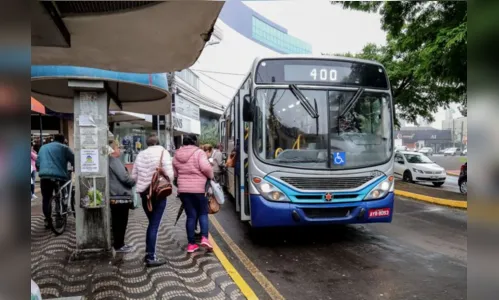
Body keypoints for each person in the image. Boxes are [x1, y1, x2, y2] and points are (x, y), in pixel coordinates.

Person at [131, 134, 174, 267]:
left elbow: (133, 176)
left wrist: (145, 181)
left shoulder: (140, 155)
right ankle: (150, 256)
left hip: (145, 195)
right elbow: (170, 175)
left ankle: (150, 252)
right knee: (154, 225)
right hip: (159, 193)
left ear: (147, 143)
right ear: (158, 142)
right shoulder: (163, 152)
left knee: (152, 224)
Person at [173, 134, 214, 253]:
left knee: (190, 216)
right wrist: (211, 176)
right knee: (203, 213)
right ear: (195, 142)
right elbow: (206, 168)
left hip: (184, 191)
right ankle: (205, 238)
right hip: (199, 189)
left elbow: (175, 173)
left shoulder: (177, 154)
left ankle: (191, 244)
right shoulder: (199, 152)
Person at [36, 134, 74, 229]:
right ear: (63, 141)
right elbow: (74, 159)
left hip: (44, 177)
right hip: (59, 177)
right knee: (60, 197)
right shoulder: (65, 148)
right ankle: (59, 218)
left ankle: (47, 220)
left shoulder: (43, 147)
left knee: (46, 198)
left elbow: (37, 163)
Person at [108, 141, 136, 253]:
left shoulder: (107, 160)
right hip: (119, 195)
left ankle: (119, 243)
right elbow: (124, 178)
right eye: (118, 148)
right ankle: (119, 245)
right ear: (113, 150)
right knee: (121, 221)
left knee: (117, 221)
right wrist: (133, 181)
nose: (120, 150)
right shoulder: (114, 161)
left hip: (113, 194)